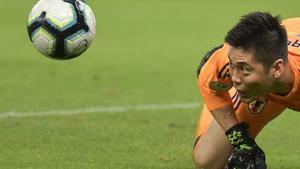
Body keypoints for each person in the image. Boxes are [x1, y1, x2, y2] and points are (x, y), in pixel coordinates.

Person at [192, 11, 300, 169]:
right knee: (208, 160)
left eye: (244, 69)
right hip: (276, 59)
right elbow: (210, 84)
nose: (234, 78)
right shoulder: (232, 58)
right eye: (232, 66)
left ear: (277, 68)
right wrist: (240, 141)